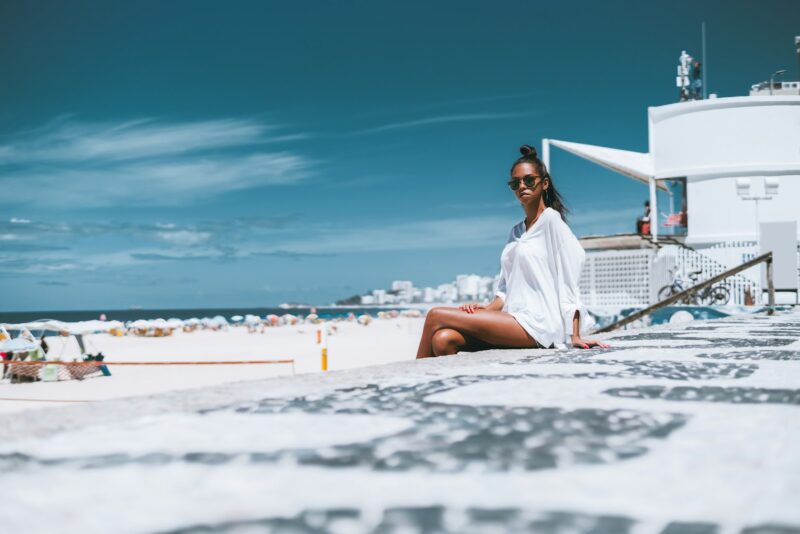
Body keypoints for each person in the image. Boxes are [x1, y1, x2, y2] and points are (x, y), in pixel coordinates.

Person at [416, 144, 609, 359]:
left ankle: (410, 386)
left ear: (544, 183)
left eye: (528, 180)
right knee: (443, 339)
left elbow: (570, 278)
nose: (522, 186)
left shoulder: (551, 221)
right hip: (513, 318)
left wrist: (574, 334)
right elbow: (505, 288)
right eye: (515, 183)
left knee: (435, 315)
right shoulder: (516, 231)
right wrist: (486, 308)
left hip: (539, 323)